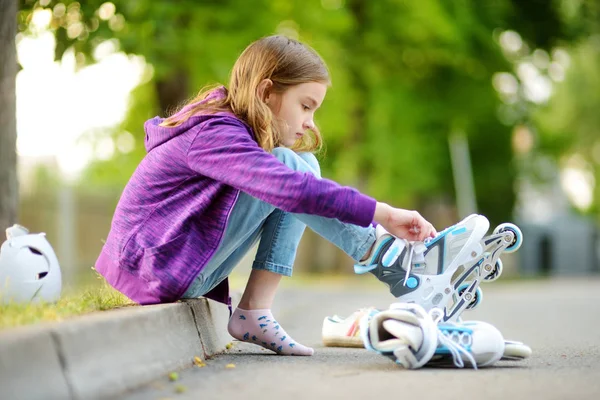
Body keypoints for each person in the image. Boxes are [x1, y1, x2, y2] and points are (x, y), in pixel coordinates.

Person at [95, 35, 437, 357]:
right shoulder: (213, 132)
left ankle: (255, 310)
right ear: (266, 92)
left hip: (169, 263)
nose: (310, 123)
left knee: (302, 164)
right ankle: (389, 261)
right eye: (305, 106)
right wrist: (385, 215)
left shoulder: (227, 131)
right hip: (156, 269)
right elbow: (291, 188)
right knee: (288, 169)